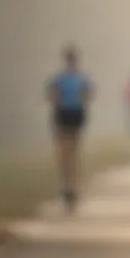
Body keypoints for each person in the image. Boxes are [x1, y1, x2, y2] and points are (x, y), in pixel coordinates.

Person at [46, 45, 93, 212]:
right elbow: (88, 96)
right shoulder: (81, 78)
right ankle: (72, 185)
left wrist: (60, 101)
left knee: (65, 151)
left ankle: (68, 184)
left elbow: (51, 96)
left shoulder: (59, 78)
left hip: (64, 114)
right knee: (73, 150)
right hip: (75, 113)